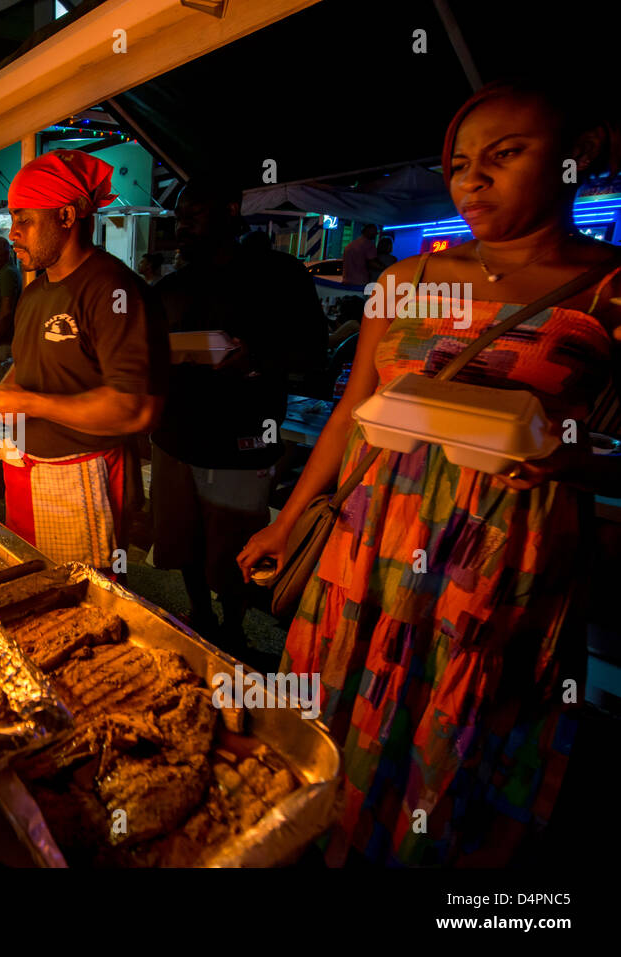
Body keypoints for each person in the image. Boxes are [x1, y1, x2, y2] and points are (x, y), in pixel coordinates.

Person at [237, 77, 621, 866]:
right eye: (458, 163)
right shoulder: (407, 281)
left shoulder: (609, 288)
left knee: (457, 731)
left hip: (502, 557)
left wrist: (568, 453)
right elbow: (351, 412)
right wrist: (286, 516)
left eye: (505, 155)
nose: (473, 179)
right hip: (370, 538)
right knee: (334, 717)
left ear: (579, 157)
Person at [151, 177, 326, 652]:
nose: (182, 225)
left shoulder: (281, 276)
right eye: (179, 217)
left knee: (236, 546)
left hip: (242, 438)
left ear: (231, 208)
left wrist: (256, 361)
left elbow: (313, 355)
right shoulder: (172, 286)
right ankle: (200, 614)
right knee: (181, 538)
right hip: (175, 437)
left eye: (194, 214)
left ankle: (232, 630)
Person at [0, 150, 167, 571]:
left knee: (80, 613)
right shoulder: (36, 291)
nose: (13, 233)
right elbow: (29, 364)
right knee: (32, 590)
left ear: (66, 217)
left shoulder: (114, 290)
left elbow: (135, 408)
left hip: (83, 479)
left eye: (25, 220)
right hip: (26, 469)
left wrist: (30, 404)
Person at [0, 237, 21, 383]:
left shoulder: (8, 274)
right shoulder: (3, 274)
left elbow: (6, 310)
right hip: (1, 342)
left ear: (7, 253)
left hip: (2, 343)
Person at [341, 223, 379, 287]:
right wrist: (385, 268)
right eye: (374, 232)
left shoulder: (350, 245)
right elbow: (372, 262)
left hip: (346, 281)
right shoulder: (369, 245)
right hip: (360, 282)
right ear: (369, 232)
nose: (375, 235)